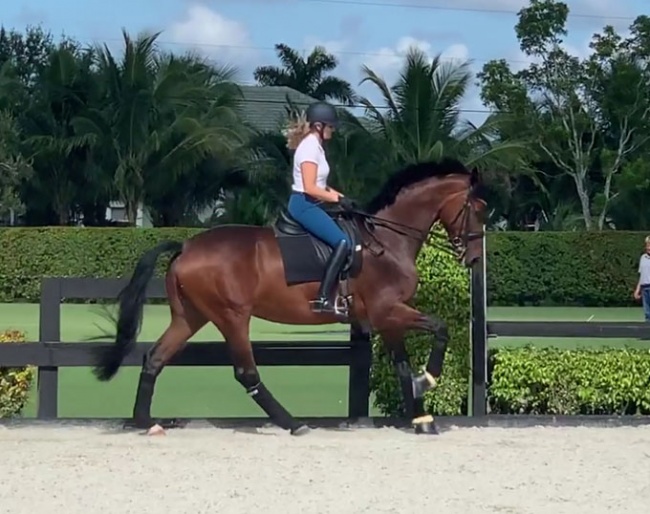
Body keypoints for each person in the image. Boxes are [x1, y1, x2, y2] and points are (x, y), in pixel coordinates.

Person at [284, 101, 356, 315]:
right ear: (318, 126)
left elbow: (322, 185)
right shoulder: (308, 149)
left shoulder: (316, 147)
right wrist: (336, 200)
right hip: (303, 204)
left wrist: (342, 197)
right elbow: (310, 187)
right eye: (330, 127)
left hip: (312, 202)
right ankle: (323, 298)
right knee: (342, 242)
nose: (332, 131)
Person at [633, 236, 650, 322]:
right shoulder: (643, 258)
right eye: (647, 245)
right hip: (644, 288)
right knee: (647, 313)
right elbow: (642, 275)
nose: (649, 247)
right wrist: (637, 290)